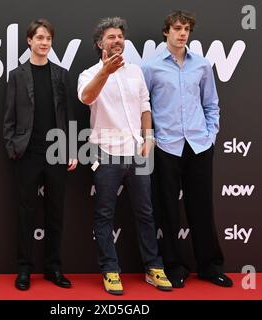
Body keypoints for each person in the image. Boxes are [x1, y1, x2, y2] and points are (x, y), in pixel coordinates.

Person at [77, 17, 172, 295]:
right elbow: (86, 98)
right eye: (110, 37)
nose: (117, 41)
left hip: (138, 151)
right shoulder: (89, 73)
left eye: (120, 36)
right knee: (104, 214)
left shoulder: (136, 73)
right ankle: (110, 270)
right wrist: (105, 72)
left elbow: (145, 104)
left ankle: (154, 268)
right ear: (99, 43)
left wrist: (149, 137)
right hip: (106, 152)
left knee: (145, 212)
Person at [141, 10, 233, 288]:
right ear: (166, 31)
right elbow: (144, 107)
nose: (182, 33)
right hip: (166, 146)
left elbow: (211, 104)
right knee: (167, 210)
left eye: (187, 29)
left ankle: (209, 266)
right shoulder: (151, 67)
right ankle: (173, 266)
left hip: (199, 144)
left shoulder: (203, 65)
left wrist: (210, 135)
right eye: (178, 28)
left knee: (202, 207)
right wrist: (151, 137)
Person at [3, 18, 77, 291]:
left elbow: (67, 114)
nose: (44, 43)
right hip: (27, 154)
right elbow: (9, 115)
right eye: (39, 38)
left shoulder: (60, 74)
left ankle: (53, 268)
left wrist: (72, 150)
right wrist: (13, 148)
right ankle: (24, 269)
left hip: (57, 153)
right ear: (29, 41)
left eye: (48, 39)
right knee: (26, 213)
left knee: (55, 213)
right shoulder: (17, 75)